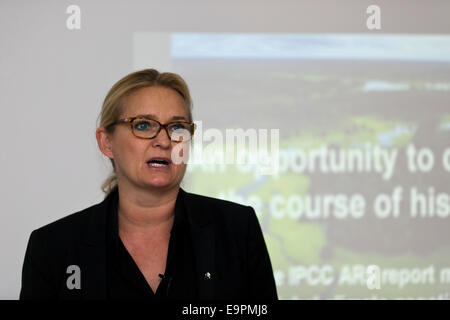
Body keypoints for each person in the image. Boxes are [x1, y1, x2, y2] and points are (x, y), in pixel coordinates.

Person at [19, 69, 278, 300]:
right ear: (106, 142)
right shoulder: (54, 247)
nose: (165, 141)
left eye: (177, 127)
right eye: (143, 125)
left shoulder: (236, 229)